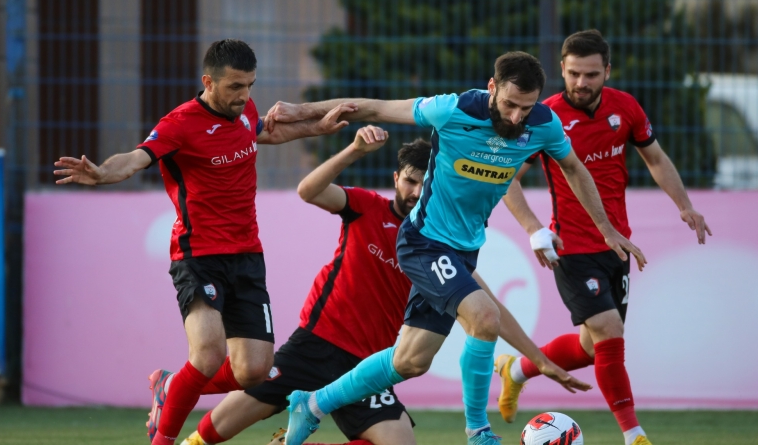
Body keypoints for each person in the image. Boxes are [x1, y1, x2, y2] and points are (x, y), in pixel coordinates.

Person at [264, 51, 644, 445]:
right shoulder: (453, 109)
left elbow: (574, 167)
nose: (517, 117)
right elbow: (371, 107)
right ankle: (478, 431)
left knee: (410, 360)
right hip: (423, 241)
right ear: (492, 87)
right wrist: (300, 111)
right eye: (510, 104)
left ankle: (313, 404)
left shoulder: (544, 124)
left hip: (464, 250)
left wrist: (606, 229)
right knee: (485, 317)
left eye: (526, 108)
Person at [178, 126, 586, 445]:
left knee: (399, 440)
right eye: (409, 181)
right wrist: (355, 150)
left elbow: (488, 312)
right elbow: (309, 190)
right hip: (316, 344)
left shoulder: (444, 247)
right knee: (229, 419)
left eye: (426, 183)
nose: (416, 192)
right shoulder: (366, 207)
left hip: (367, 366)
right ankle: (178, 404)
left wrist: (539, 359)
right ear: (396, 178)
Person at [53, 39, 352, 445]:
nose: (244, 95)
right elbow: (137, 157)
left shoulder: (244, 111)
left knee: (254, 371)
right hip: (198, 255)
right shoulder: (179, 124)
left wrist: (316, 127)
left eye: (250, 85)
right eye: (235, 86)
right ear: (208, 82)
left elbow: (261, 133)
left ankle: (171, 385)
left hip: (248, 254)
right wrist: (103, 173)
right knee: (209, 355)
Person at [495, 30, 711, 445]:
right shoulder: (544, 117)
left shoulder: (625, 107)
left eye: (591, 74)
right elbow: (507, 178)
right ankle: (634, 435)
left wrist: (684, 205)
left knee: (592, 348)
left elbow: (655, 158)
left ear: (607, 71)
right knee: (610, 332)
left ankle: (516, 369)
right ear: (562, 69)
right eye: (574, 73)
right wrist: (535, 229)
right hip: (571, 248)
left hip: (618, 245)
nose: (581, 82)